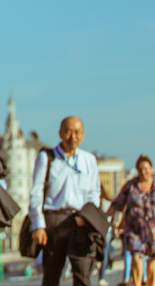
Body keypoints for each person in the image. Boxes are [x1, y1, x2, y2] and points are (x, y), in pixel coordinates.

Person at [28, 116, 101, 286]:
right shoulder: (47, 158)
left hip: (79, 221)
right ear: (60, 133)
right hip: (55, 220)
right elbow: (36, 192)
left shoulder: (88, 160)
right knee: (52, 273)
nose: (73, 137)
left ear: (83, 134)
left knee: (82, 273)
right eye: (68, 132)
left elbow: (94, 193)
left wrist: (87, 218)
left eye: (77, 132)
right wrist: (38, 225)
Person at [109, 156, 155, 286]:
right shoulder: (131, 186)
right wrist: (103, 216)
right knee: (135, 257)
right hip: (134, 229)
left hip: (154, 230)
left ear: (151, 169)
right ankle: (137, 284)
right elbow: (117, 203)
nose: (143, 172)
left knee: (152, 261)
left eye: (146, 169)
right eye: (140, 169)